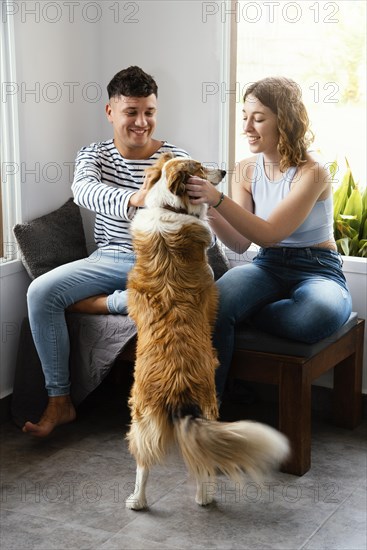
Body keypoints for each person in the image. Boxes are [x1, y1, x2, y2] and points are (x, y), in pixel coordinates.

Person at [23, 66, 189, 437]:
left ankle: (112, 302)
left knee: (198, 285)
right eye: (131, 112)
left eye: (149, 112)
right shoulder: (94, 154)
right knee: (40, 292)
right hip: (111, 256)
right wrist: (136, 197)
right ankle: (59, 401)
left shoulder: (174, 158)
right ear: (110, 112)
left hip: (160, 261)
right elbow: (83, 191)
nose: (142, 122)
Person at [186, 76, 352, 398]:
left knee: (314, 316)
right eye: (245, 117)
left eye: (258, 119)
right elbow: (240, 243)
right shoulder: (246, 169)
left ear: (285, 121)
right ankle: (205, 411)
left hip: (318, 267)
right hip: (268, 266)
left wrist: (218, 198)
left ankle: (248, 312)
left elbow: (271, 234)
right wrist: (208, 208)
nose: (247, 126)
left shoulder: (312, 170)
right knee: (211, 305)